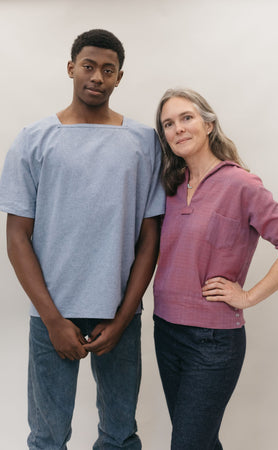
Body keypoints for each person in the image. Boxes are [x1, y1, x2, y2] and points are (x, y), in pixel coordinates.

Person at [0, 29, 165, 449]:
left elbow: (150, 238)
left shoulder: (144, 142)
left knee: (119, 433)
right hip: (52, 313)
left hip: (118, 313)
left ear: (119, 77)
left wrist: (124, 316)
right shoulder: (34, 139)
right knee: (47, 436)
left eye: (108, 70)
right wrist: (53, 319)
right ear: (71, 67)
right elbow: (17, 236)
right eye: (88, 66)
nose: (97, 77)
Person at [153, 88, 278, 450]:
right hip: (166, 331)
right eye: (168, 124)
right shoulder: (171, 186)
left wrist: (247, 296)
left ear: (208, 124)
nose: (178, 129)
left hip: (213, 341)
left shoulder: (241, 184)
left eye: (186, 118)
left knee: (188, 444)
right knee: (201, 442)